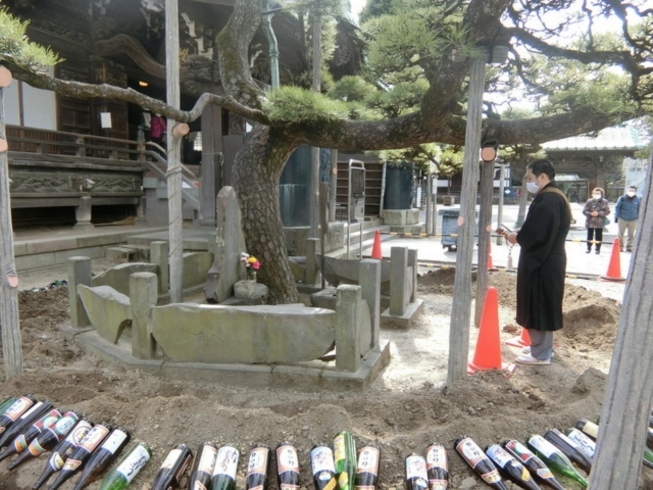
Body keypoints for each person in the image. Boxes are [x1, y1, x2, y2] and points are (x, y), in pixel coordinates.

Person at [505, 159, 572, 366]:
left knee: (539, 304)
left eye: (530, 178)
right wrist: (522, 235)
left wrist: (517, 237)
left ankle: (541, 354)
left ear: (542, 177)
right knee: (540, 303)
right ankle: (539, 347)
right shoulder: (553, 195)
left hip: (543, 261)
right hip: (547, 259)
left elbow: (537, 235)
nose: (528, 181)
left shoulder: (549, 199)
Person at [582, 187, 610, 254]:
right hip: (590, 221)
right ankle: (588, 248)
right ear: (592, 194)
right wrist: (590, 213)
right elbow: (584, 210)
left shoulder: (605, 202)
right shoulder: (589, 201)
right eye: (595, 193)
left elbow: (607, 211)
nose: (596, 194)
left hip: (600, 221)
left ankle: (598, 249)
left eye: (598, 193)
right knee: (589, 235)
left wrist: (599, 213)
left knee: (599, 235)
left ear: (601, 194)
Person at [614, 185, 641, 252]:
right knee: (620, 233)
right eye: (630, 190)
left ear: (635, 192)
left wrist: (638, 218)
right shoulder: (622, 198)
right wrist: (616, 216)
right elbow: (617, 207)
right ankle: (620, 246)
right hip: (622, 218)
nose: (631, 192)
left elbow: (639, 209)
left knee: (631, 234)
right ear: (627, 190)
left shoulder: (638, 200)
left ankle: (629, 247)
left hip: (633, 219)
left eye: (633, 191)